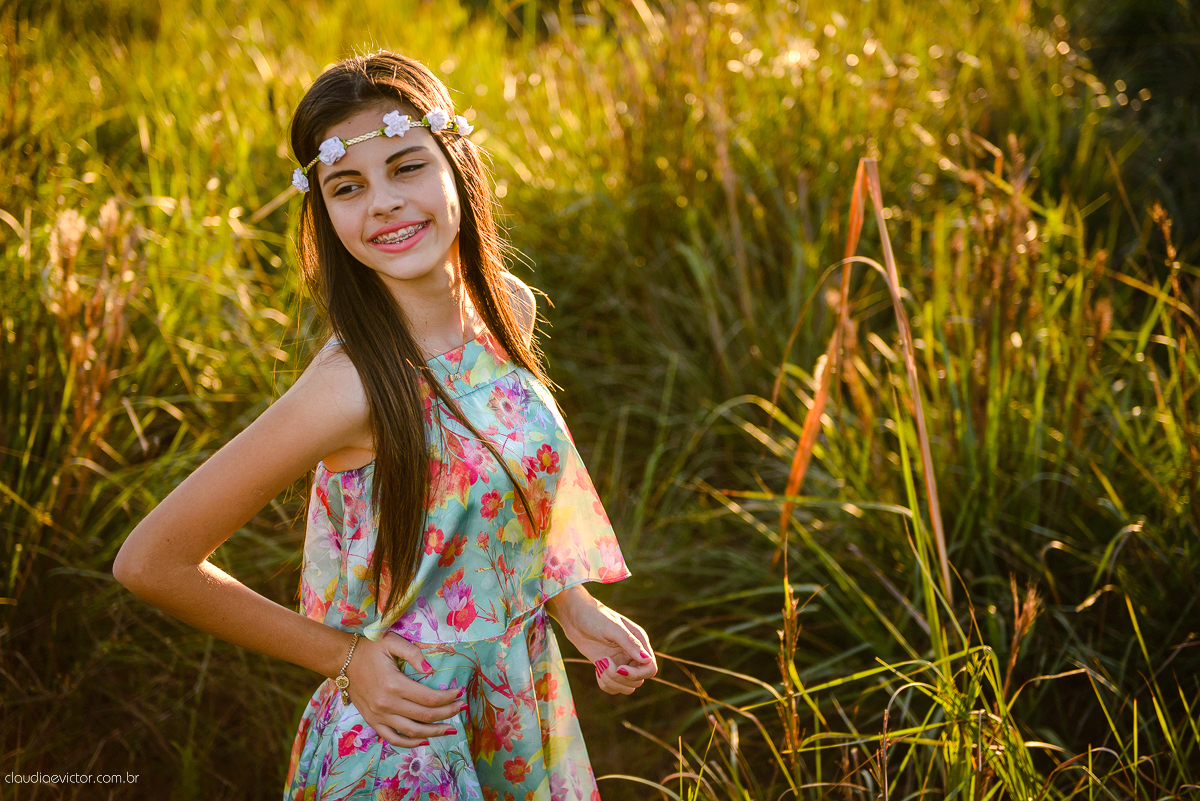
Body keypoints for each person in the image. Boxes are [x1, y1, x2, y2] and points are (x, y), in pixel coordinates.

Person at [114, 50, 656, 800]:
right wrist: (345, 658)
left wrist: (571, 603)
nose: (382, 204)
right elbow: (151, 560)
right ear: (326, 212)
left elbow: (502, 486)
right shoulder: (351, 386)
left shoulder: (506, 313)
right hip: (410, 733)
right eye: (348, 186)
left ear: (456, 164)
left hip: (518, 703)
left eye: (406, 167)